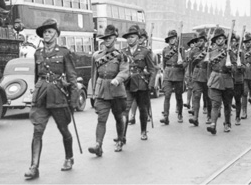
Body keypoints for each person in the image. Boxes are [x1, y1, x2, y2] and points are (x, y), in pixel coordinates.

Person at [24, 19, 79, 180]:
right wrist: (36, 93)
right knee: (37, 131)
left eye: (49, 32)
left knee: (63, 129)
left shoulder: (64, 52)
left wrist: (73, 101)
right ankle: (34, 167)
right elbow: (36, 76)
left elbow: (72, 77)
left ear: (56, 34)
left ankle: (69, 158)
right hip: (41, 97)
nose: (46, 35)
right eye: (44, 32)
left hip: (58, 96)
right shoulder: (38, 53)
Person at [88, 25, 129, 156]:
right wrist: (92, 93)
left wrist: (117, 80)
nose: (107, 40)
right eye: (105, 38)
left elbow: (124, 71)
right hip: (102, 91)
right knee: (101, 119)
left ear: (115, 39)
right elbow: (94, 75)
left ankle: (120, 140)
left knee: (118, 118)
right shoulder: (96, 56)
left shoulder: (121, 56)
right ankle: (98, 145)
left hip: (116, 91)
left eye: (110, 38)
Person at [122, 25, 156, 141]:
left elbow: (152, 69)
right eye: (128, 37)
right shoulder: (123, 52)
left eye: (132, 37)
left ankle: (143, 131)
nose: (129, 39)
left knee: (143, 109)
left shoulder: (145, 51)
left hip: (141, 84)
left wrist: (151, 85)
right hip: (127, 84)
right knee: (124, 110)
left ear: (137, 38)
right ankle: (122, 136)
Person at [207, 27, 235, 135]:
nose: (219, 41)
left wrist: (230, 67)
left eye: (221, 38)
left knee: (227, 104)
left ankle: (227, 123)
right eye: (217, 39)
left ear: (224, 40)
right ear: (215, 41)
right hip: (215, 80)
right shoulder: (211, 53)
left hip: (227, 80)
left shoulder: (229, 52)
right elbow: (209, 67)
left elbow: (235, 67)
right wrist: (208, 80)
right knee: (215, 104)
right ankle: (213, 125)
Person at [160, 29, 186, 124]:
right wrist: (165, 73)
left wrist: (181, 63)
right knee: (167, 95)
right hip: (168, 74)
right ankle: (166, 116)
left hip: (178, 74)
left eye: (173, 38)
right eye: (170, 38)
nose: (172, 40)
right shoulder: (165, 50)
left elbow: (185, 64)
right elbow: (163, 64)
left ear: (176, 39)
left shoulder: (181, 49)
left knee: (178, 96)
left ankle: (180, 114)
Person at [187, 30, 211, 126]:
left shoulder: (209, 51)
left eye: (201, 41)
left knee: (208, 97)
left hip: (207, 76)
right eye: (198, 41)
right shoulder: (193, 51)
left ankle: (209, 116)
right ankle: (195, 117)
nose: (199, 42)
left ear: (205, 41)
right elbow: (190, 65)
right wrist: (190, 76)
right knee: (196, 96)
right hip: (196, 76)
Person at [231, 34, 245, 125]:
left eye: (234, 41)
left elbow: (244, 67)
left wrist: (240, 67)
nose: (233, 43)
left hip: (238, 79)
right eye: (231, 41)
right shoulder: (227, 52)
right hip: (228, 78)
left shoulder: (241, 53)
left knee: (237, 99)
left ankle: (237, 117)